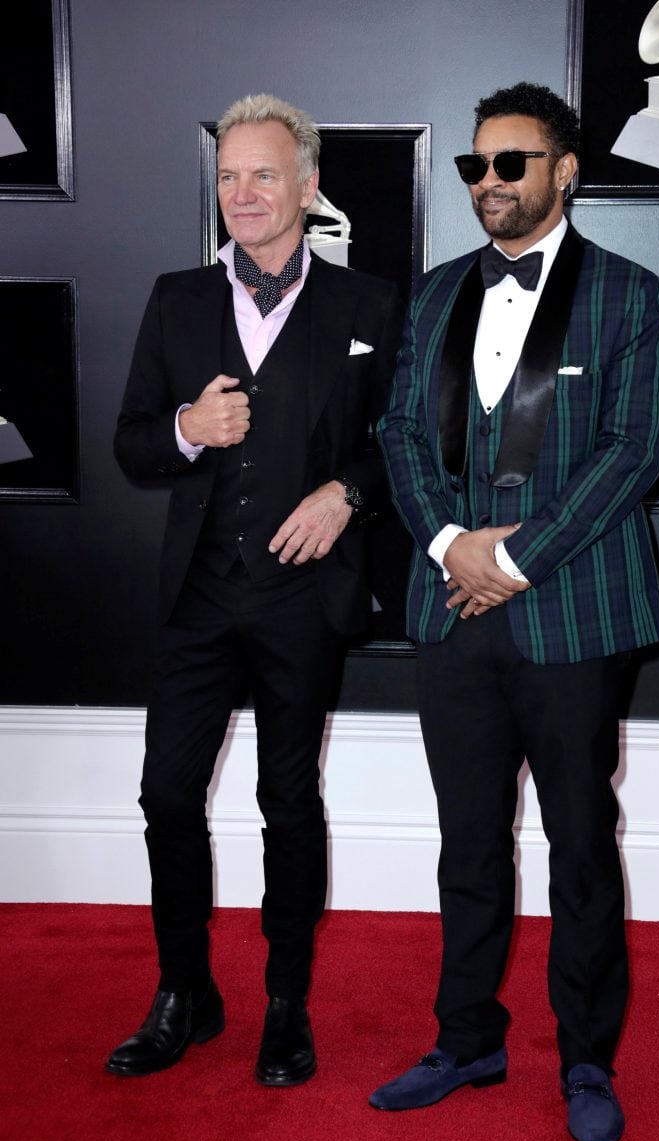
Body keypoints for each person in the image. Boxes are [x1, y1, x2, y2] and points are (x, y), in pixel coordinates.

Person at [371, 82, 659, 1141]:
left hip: (573, 611)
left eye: (511, 164)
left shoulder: (630, 295)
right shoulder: (437, 291)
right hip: (451, 605)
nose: (488, 184)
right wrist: (454, 547)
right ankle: (467, 1038)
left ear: (565, 170)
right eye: (475, 166)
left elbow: (633, 452)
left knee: (581, 843)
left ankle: (586, 1056)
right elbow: (400, 431)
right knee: (467, 842)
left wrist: (520, 559)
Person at [108, 93, 402, 1085]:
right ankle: (184, 990)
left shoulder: (368, 306)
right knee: (163, 796)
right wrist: (189, 427)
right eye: (228, 175)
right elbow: (134, 444)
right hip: (198, 596)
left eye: (263, 174)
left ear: (308, 188)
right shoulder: (176, 299)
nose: (243, 193)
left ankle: (285, 1000)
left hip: (300, 600)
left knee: (288, 798)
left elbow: (401, 449)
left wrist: (345, 494)